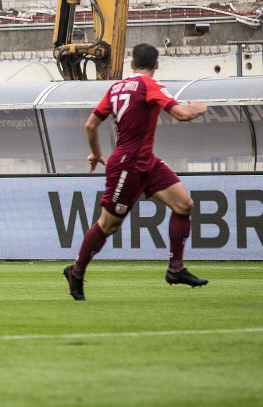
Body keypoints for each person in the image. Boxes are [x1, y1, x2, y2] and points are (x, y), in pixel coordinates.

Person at [63, 43, 209, 300]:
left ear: (131, 64)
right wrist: (198, 110)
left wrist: (97, 153)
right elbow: (181, 115)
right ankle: (75, 271)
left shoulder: (116, 87)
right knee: (108, 226)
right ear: (156, 65)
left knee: (184, 204)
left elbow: (90, 125)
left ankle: (175, 270)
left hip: (146, 162)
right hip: (128, 165)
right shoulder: (150, 85)